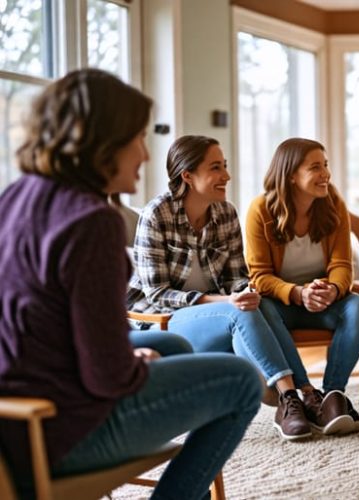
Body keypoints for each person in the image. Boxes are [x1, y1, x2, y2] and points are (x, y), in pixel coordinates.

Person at [0, 69, 262, 499]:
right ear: (101, 143)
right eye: (137, 138)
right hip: (55, 433)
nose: (144, 154)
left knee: (172, 347)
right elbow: (107, 377)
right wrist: (130, 365)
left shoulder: (14, 198)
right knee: (242, 380)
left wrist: (128, 356)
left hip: (12, 416)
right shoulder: (92, 222)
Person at [127, 135, 319, 441]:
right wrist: (227, 299)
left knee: (262, 305)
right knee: (236, 311)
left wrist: (245, 291)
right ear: (187, 176)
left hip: (212, 317)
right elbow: (157, 294)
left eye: (225, 166)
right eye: (216, 168)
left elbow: (236, 277)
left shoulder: (225, 213)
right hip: (161, 323)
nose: (226, 176)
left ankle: (304, 394)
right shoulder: (157, 215)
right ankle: (289, 397)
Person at [245, 137, 359, 437]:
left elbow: (342, 265)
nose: (325, 174)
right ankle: (305, 393)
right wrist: (297, 293)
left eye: (325, 166)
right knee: (259, 306)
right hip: (282, 305)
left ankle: (332, 395)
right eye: (315, 167)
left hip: (324, 302)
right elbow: (259, 276)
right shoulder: (260, 210)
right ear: (290, 174)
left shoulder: (333, 205)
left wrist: (334, 290)